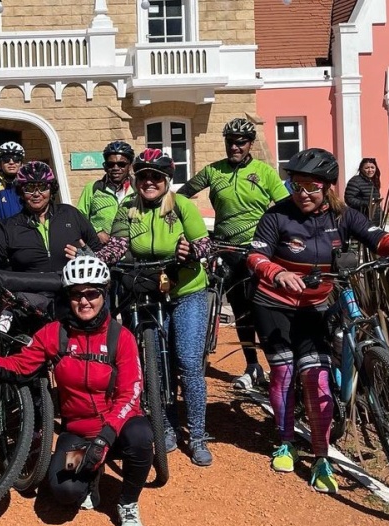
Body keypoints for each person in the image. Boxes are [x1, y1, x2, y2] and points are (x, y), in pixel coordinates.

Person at [246, 148, 389, 492]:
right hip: (274, 303)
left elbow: (378, 236)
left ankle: (322, 456)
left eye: (311, 187)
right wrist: (277, 272)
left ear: (327, 188)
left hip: (314, 306)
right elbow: (255, 255)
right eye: (296, 185)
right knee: (283, 369)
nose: (302, 194)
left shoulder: (344, 216)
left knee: (316, 376)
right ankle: (285, 441)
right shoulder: (277, 215)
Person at [0, 256, 152, 526]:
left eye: (92, 293)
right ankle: (91, 474)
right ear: (69, 296)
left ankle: (127, 503)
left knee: (140, 436)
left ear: (104, 294)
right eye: (77, 294)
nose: (85, 301)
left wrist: (105, 437)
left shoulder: (121, 337)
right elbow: (21, 365)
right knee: (64, 490)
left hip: (117, 429)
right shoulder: (55, 334)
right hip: (78, 434)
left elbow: (131, 392)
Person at [95, 149, 214, 466]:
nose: (149, 181)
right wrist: (95, 259)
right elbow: (118, 245)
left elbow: (205, 242)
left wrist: (190, 250)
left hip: (187, 290)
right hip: (148, 289)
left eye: (156, 177)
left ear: (166, 181)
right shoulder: (127, 208)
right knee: (155, 364)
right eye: (143, 175)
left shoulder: (182, 206)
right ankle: (168, 427)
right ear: (136, 180)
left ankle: (199, 436)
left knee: (187, 362)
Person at [179, 118, 288, 391]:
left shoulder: (264, 171)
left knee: (262, 309)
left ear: (250, 144)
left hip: (258, 250)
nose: (235, 147)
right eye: (230, 142)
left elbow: (286, 208)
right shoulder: (214, 171)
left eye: (241, 142)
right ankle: (252, 366)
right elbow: (182, 195)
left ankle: (280, 370)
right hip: (226, 249)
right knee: (239, 310)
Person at [0, 161, 102, 288]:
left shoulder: (70, 214)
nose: (36, 193)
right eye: (29, 188)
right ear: (20, 192)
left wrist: (89, 259)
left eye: (42, 187)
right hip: (30, 297)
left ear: (51, 190)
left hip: (71, 293)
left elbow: (96, 249)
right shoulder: (11, 225)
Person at [76, 141, 135, 244]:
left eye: (121, 164)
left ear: (129, 166)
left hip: (132, 251)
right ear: (105, 166)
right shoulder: (93, 188)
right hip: (100, 249)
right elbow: (79, 219)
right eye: (111, 164)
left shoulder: (138, 189)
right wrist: (96, 231)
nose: (116, 168)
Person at [0, 141, 26, 221]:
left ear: (21, 164)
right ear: (0, 165)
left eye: (16, 159)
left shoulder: (28, 186)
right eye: (6, 159)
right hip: (3, 232)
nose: (11, 162)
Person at [344, 157, 383, 225]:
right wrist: (366, 204)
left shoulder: (374, 181)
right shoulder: (355, 181)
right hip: (361, 219)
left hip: (375, 220)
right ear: (361, 169)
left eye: (372, 167)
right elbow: (349, 199)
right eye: (367, 168)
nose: (370, 170)